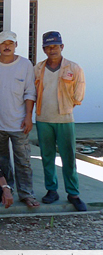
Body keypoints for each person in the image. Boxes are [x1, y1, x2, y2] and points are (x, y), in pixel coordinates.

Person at [0, 30, 39, 208]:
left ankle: (26, 194)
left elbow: (30, 92)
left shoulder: (25, 64)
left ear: (16, 45)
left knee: (23, 160)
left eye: (10, 43)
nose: (7, 46)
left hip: (19, 122)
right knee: (0, 161)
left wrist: (29, 116)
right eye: (3, 43)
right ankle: (5, 191)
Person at [34, 31, 86, 211]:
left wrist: (70, 105)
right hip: (43, 118)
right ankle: (51, 190)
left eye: (55, 46)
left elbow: (79, 90)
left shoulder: (73, 67)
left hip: (64, 119)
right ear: (43, 49)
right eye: (48, 47)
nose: (52, 50)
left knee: (69, 157)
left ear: (61, 47)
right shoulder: (38, 68)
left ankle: (73, 193)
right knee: (47, 157)